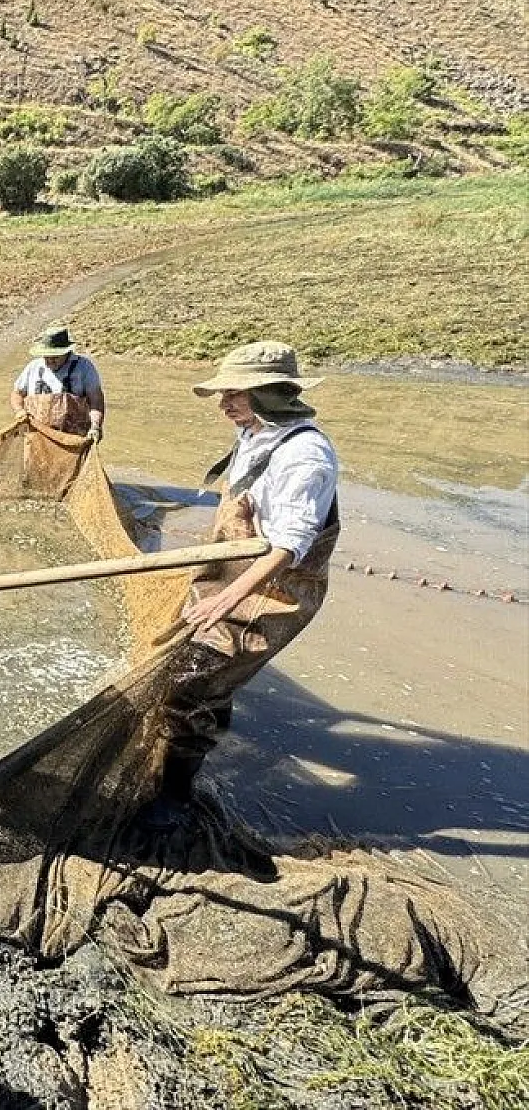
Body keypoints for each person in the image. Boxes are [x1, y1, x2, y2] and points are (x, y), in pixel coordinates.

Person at [143, 341, 340, 831]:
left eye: (234, 392)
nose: (223, 402)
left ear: (270, 394)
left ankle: (174, 800)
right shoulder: (256, 432)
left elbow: (290, 545)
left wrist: (231, 597)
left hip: (275, 589)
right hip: (233, 564)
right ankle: (217, 713)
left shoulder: (305, 456)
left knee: (188, 686)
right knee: (204, 661)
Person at [10, 325, 105, 442]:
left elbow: (96, 401)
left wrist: (95, 427)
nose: (50, 360)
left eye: (55, 357)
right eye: (46, 356)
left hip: (72, 439)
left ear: (67, 352)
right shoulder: (33, 367)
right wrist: (19, 410)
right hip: (37, 436)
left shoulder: (84, 367)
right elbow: (17, 394)